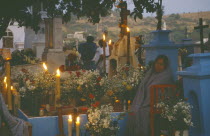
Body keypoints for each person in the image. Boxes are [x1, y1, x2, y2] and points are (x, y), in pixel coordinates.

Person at [126, 55, 174, 136]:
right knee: (134, 111)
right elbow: (143, 87)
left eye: (161, 64)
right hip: (147, 102)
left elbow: (159, 91)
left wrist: (146, 103)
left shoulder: (166, 76)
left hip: (158, 103)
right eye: (157, 63)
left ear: (165, 66)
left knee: (141, 112)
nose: (158, 66)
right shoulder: (151, 73)